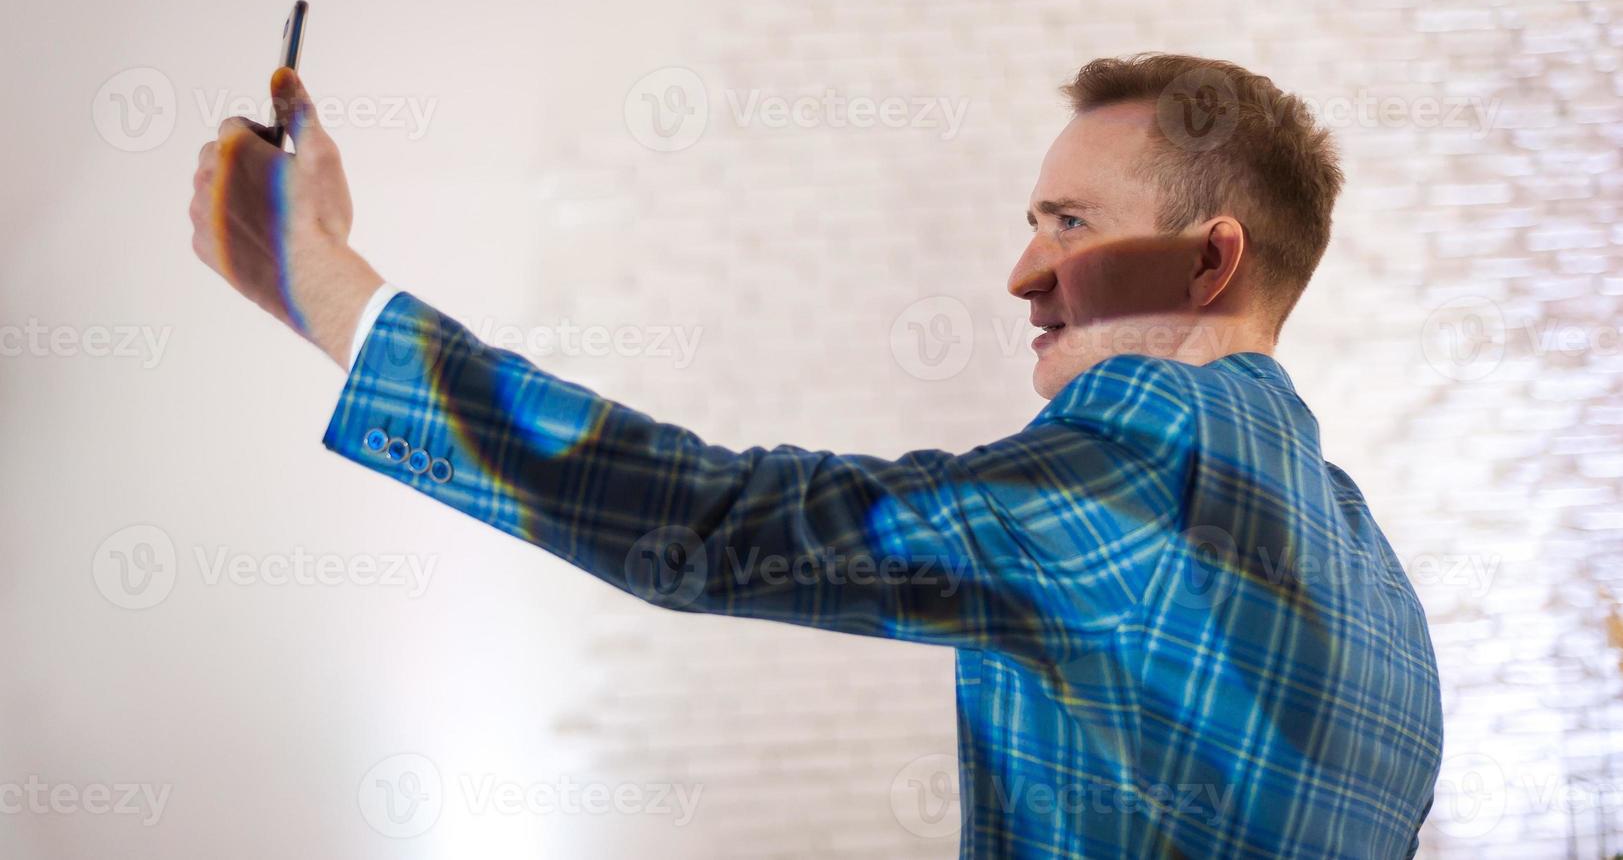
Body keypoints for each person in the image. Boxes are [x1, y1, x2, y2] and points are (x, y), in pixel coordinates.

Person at [189, 53, 1443, 857]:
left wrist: (328, 291)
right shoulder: (1388, 597)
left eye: (1069, 223)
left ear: (1210, 260)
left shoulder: (1145, 475)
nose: (1022, 273)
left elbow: (714, 524)